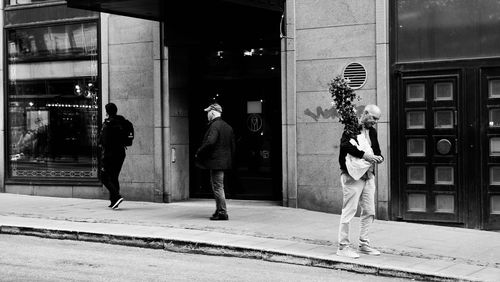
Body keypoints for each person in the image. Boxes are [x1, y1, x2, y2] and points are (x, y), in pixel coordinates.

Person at [336, 104, 384, 259]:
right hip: (352, 175)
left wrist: (379, 158)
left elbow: (377, 151)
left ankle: (364, 244)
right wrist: (365, 156)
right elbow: (344, 146)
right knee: (349, 210)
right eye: (374, 118)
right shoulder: (352, 127)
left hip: (369, 175)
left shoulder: (373, 132)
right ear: (365, 113)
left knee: (369, 211)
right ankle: (343, 247)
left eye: (377, 119)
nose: (375, 122)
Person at [195, 103, 235, 220]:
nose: (207, 115)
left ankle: (222, 212)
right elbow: (233, 147)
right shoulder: (228, 127)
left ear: (212, 113)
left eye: (208, 112)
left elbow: (210, 142)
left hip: (216, 162)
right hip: (224, 162)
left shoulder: (214, 126)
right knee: (218, 186)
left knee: (218, 187)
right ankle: (218, 210)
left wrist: (199, 151)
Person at [99, 103, 127, 209]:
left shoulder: (109, 123)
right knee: (114, 176)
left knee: (104, 176)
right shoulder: (121, 121)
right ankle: (114, 201)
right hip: (121, 152)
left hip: (110, 154)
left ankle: (116, 196)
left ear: (107, 111)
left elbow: (104, 141)